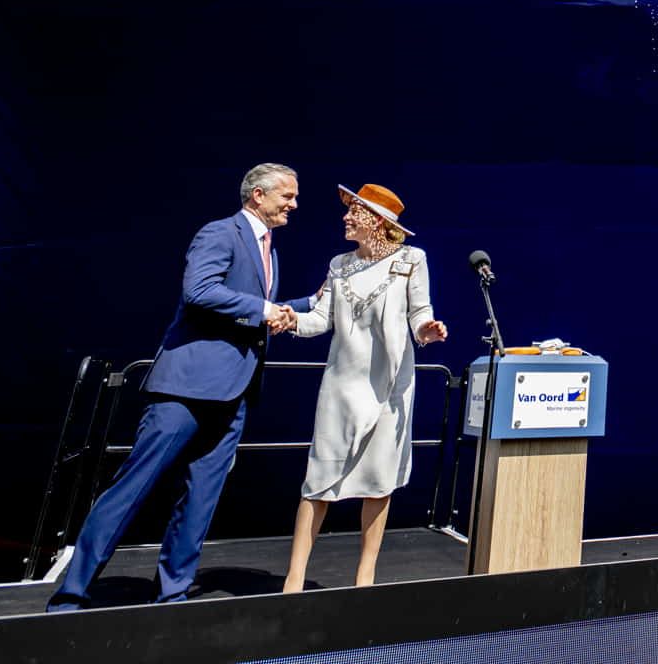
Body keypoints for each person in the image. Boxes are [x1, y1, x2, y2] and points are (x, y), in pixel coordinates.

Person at [49, 164, 316, 609]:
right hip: (185, 391)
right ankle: (72, 593)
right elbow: (200, 291)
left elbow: (256, 307)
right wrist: (265, 310)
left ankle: (172, 594)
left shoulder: (270, 250)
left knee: (200, 499)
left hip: (234, 394)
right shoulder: (220, 233)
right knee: (132, 488)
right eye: (287, 196)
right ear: (258, 195)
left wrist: (309, 303)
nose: (294, 204)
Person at [281, 184, 446, 592]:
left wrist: (426, 330)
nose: (345, 218)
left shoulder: (411, 260)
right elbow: (321, 318)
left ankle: (365, 576)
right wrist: (292, 321)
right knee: (318, 478)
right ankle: (293, 579)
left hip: (390, 389)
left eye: (354, 212)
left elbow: (420, 311)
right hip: (342, 385)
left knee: (378, 479)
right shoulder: (339, 265)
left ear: (376, 221)